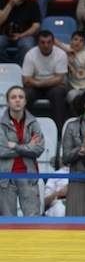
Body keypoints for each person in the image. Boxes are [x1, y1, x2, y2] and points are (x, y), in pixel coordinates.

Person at [0, 86, 44, 216]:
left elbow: (39, 149)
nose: (17, 100)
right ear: (7, 101)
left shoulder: (33, 123)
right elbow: (2, 151)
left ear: (25, 101)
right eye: (13, 97)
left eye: (21, 97)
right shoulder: (1, 124)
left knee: (33, 219)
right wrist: (27, 146)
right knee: (8, 221)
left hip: (29, 176)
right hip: (6, 179)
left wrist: (15, 145)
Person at [22, 30, 69, 132]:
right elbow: (26, 79)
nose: (46, 45)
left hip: (51, 86)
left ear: (53, 42)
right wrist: (41, 84)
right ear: (37, 43)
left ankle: (59, 131)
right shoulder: (30, 54)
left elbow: (59, 79)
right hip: (35, 87)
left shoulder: (61, 54)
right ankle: (22, 129)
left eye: (49, 42)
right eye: (42, 42)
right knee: (24, 94)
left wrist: (38, 82)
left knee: (57, 93)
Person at [0, 0, 41, 65]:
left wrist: (22, 35)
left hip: (25, 35)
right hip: (4, 35)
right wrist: (10, 5)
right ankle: (7, 65)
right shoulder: (3, 2)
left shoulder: (32, 4)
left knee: (28, 46)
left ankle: (18, 67)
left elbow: (36, 26)